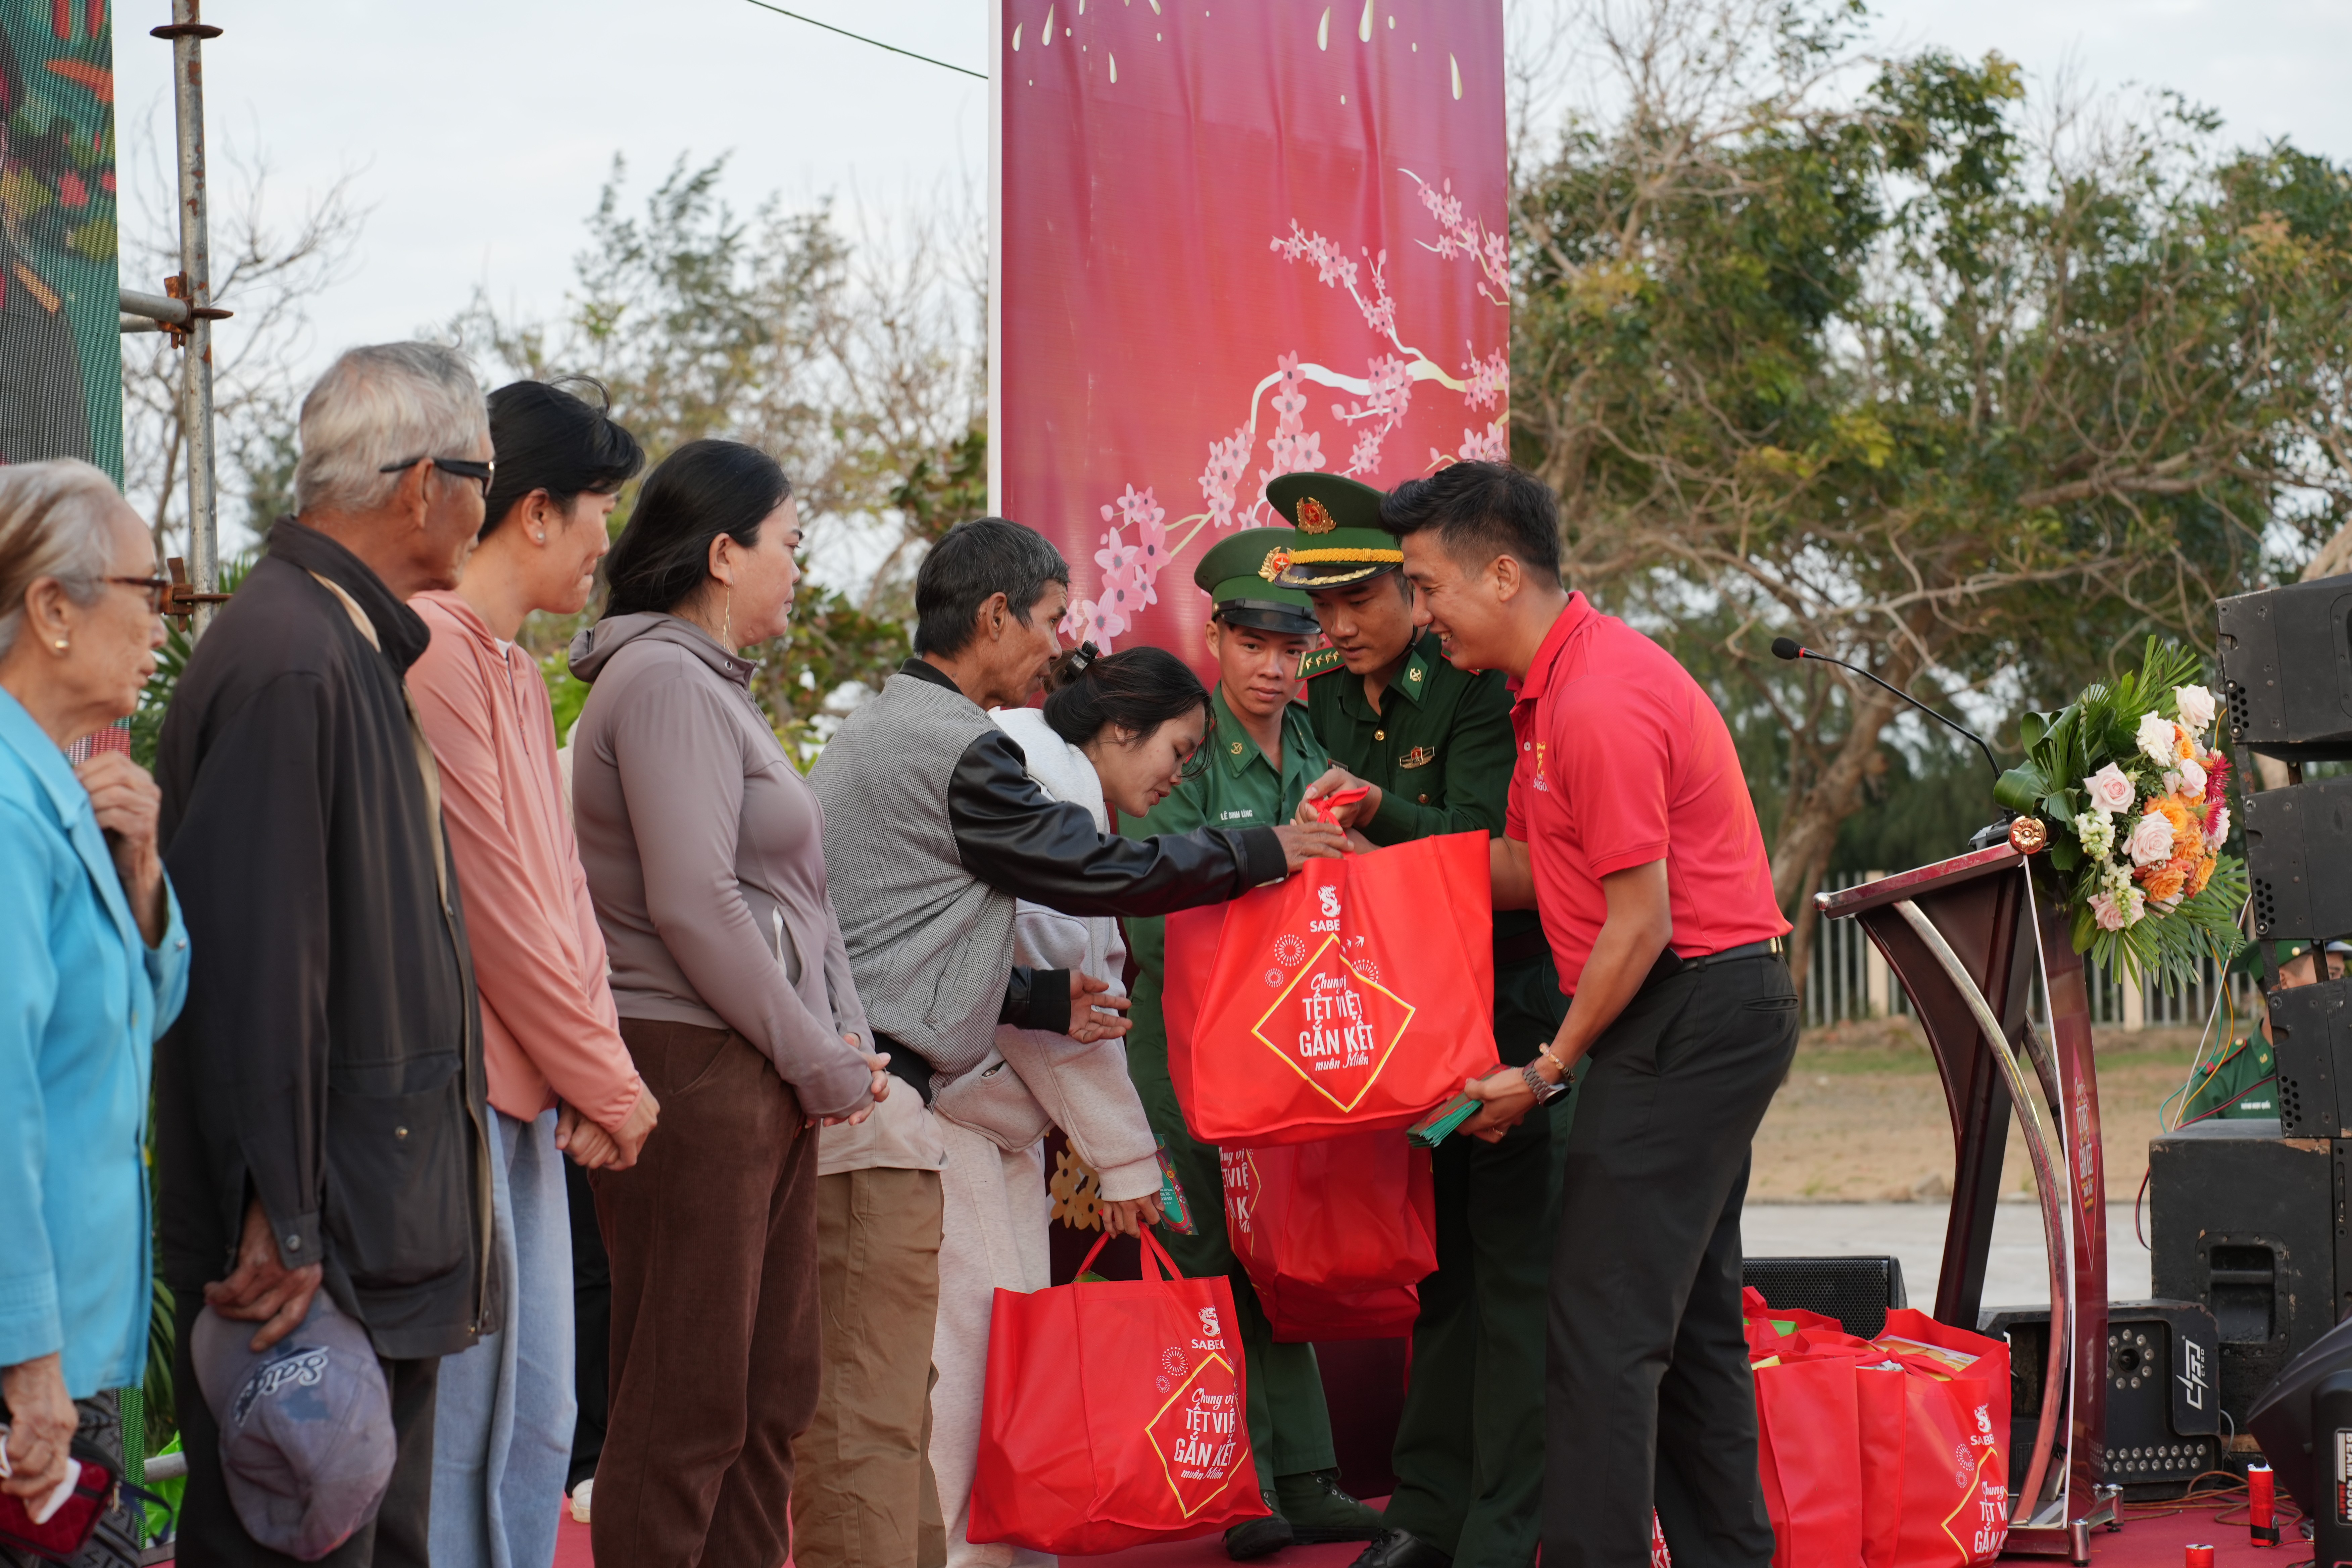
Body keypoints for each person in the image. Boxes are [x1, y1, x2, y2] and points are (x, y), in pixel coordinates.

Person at [801, 517, 1344, 1568]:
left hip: (898, 1092)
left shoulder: (900, 728)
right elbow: (1099, 876)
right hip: (910, 1107)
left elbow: (916, 938)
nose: (1058, 645)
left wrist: (1040, 999)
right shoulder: (986, 753)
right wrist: (1264, 849)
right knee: (953, 1372)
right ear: (994, 614)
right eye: (1050, 618)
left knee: (933, 1371)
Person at [1381, 461, 1795, 1568]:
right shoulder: (1547, 693)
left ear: (1502, 571)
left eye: (1425, 589)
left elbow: (1639, 920)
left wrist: (1547, 1069)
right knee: (1690, 1326)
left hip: (1687, 1009)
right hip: (1688, 1011)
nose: (1419, 620)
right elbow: (1528, 867)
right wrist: (1371, 864)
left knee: (1599, 1329)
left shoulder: (1599, 698)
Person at [156, 341, 500, 1567]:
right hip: (315, 1246)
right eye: (482, 475)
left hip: (358, 1213)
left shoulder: (345, 638)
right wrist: (280, 1212)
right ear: (421, 485)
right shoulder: (293, 655)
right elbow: (255, 961)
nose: (487, 504)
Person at [567, 438, 886, 1568]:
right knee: (688, 1399)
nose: (800, 570)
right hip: (693, 1064)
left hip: (752, 1065)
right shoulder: (659, 681)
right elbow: (696, 903)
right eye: (790, 545)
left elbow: (793, 891)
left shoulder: (711, 689)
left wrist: (835, 1034)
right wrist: (814, 1051)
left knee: (766, 1392)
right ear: (721, 553)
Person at [1263, 473, 1572, 1568]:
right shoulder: (1327, 686)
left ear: (1417, 586)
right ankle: (1425, 1516)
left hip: (1511, 1013)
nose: (1333, 626)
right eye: (1320, 606)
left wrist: (1374, 810)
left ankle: (1501, 1530)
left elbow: (1490, 848)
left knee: (1515, 1286)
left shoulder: (1476, 681)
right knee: (1441, 1280)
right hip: (1401, 1022)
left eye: (1356, 600)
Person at [407, 379, 662, 1568]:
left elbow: (565, 901)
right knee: (471, 1426)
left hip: (539, 1093)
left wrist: (596, 1072)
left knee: (540, 1417)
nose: (610, 536)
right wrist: (607, 1084)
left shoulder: (509, 664)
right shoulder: (434, 652)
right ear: (538, 511)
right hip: (467, 1099)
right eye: (602, 503)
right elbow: (499, 911)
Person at [1122, 528, 1385, 1560]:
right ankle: (1233, 1486)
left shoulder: (1320, 753)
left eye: (1292, 650)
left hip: (1289, 1057)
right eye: (1253, 646)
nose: (1275, 669)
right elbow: (1146, 900)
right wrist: (1278, 872)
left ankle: (1306, 1478)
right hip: (1184, 1049)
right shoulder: (1181, 751)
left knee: (1278, 1263)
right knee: (1203, 1265)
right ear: (1216, 640)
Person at [925, 642, 1218, 1568]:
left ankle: (1007, 1546)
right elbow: (1069, 1012)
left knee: (990, 1347)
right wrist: (1129, 1165)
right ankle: (974, 1555)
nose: (1180, 775)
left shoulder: (1026, 766)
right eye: (1178, 749)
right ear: (1121, 730)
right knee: (972, 1357)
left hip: (964, 1106)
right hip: (946, 1109)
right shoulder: (1046, 796)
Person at [0, 460, 186, 1549]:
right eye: (145, 594)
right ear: (53, 610)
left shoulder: (60, 790)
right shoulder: (13, 807)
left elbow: (145, 1016)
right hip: (31, 1350)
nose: (161, 627)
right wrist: (28, 1362)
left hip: (66, 1337)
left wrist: (144, 876)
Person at [2181, 939, 2349, 1121]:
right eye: (2332, 975)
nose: (2342, 987)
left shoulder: (2344, 1065)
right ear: (2283, 982)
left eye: (2342, 977)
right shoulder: (2218, 1083)